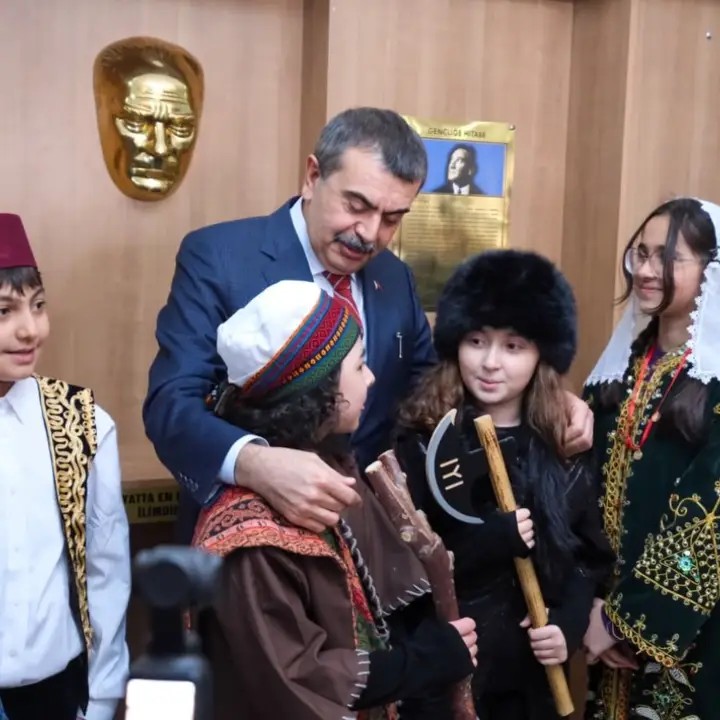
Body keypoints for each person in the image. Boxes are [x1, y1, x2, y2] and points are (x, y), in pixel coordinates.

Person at [143, 106, 593, 541]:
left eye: (392, 218)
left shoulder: (394, 277)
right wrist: (255, 464)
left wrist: (547, 402)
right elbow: (172, 403)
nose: (370, 233)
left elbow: (434, 390)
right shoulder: (220, 258)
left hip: (368, 546)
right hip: (250, 543)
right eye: (356, 205)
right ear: (313, 176)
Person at [193, 280, 478, 720]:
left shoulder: (330, 468)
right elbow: (295, 676)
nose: (372, 378)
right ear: (319, 391)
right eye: (359, 365)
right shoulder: (250, 542)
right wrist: (425, 661)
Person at [394, 250, 614, 719]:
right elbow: (403, 568)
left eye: (513, 346)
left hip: (529, 686)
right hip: (446, 678)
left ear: (542, 355)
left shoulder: (565, 443)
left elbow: (586, 558)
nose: (490, 362)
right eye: (477, 341)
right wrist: (487, 542)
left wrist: (568, 624)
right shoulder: (424, 440)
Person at [582, 198, 720, 719]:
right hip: (602, 617)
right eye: (640, 253)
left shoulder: (716, 379)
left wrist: (624, 621)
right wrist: (590, 602)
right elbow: (581, 489)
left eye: (667, 257)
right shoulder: (621, 368)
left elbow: (708, 517)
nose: (644, 269)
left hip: (691, 630)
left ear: (711, 272)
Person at [0, 214, 131, 720]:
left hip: (52, 694)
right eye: (5, 311)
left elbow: (106, 565)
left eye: (37, 305)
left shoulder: (80, 420)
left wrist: (100, 697)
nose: (30, 329)